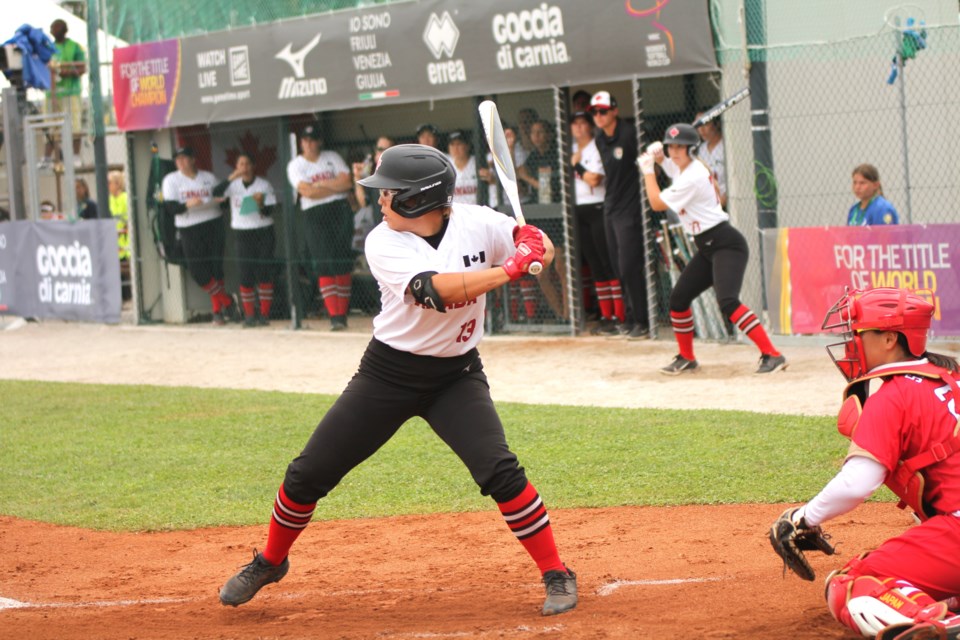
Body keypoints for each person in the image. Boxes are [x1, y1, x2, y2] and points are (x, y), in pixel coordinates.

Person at [218, 144, 578, 617]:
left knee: (499, 470)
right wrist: (508, 268)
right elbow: (437, 293)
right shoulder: (382, 241)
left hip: (456, 374)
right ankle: (270, 560)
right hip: (388, 373)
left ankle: (557, 572)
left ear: (417, 200)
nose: (379, 201)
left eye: (388, 194)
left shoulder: (481, 221)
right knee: (307, 474)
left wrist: (537, 247)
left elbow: (541, 252)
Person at [768, 287, 960, 640]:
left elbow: (859, 481)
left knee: (852, 584)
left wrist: (803, 517)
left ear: (889, 339)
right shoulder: (951, 375)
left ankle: (938, 626)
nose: (851, 344)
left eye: (858, 333)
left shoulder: (893, 393)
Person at [640, 124, 786, 374]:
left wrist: (647, 170)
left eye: (680, 147)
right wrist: (660, 158)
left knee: (727, 300)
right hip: (708, 247)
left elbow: (655, 203)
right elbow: (674, 168)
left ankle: (772, 354)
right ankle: (687, 357)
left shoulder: (693, 176)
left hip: (725, 243)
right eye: (671, 146)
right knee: (679, 299)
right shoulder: (690, 168)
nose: (674, 151)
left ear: (692, 149)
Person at [589, 90, 649, 339]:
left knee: (629, 265)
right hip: (610, 206)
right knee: (616, 264)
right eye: (595, 112)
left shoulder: (630, 133)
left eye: (603, 111)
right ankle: (631, 318)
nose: (599, 116)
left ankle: (644, 321)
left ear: (614, 110)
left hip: (631, 207)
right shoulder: (599, 138)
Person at [286, 124, 354, 331]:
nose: (309, 143)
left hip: (339, 210)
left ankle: (342, 315)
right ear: (301, 143)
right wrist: (332, 186)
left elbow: (347, 182)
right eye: (306, 140)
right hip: (314, 215)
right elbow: (306, 192)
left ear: (319, 141)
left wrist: (319, 186)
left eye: (313, 139)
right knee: (324, 262)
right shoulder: (295, 165)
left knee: (342, 262)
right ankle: (334, 315)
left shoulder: (331, 156)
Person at [161, 146, 237, 325]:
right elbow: (171, 209)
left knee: (216, 267)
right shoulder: (171, 180)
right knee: (198, 270)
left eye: (184, 158)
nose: (180, 162)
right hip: (189, 227)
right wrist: (187, 204)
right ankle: (227, 301)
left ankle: (217, 311)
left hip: (213, 222)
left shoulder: (208, 177)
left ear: (193, 159)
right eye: (177, 159)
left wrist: (222, 200)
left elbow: (223, 199)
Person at [570, 111, 623, 335]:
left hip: (598, 206)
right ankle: (605, 316)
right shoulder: (571, 148)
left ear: (590, 126)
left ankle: (619, 317)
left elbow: (595, 178)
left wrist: (578, 167)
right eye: (575, 124)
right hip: (578, 209)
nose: (579, 128)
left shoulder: (596, 146)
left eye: (583, 123)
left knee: (607, 260)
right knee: (594, 264)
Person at [214, 153, 278, 327]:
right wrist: (231, 177)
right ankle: (249, 315)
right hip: (242, 233)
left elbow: (269, 211)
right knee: (245, 274)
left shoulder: (263, 184)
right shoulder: (233, 185)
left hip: (262, 231)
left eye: (247, 164)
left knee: (264, 273)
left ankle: (264, 314)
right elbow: (216, 193)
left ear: (253, 166)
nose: (244, 167)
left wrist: (261, 203)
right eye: (240, 164)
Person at [44, 19, 86, 167]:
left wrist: (64, 72)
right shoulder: (48, 47)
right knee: (50, 126)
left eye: (55, 27)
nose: (52, 30)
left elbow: (82, 68)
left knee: (75, 125)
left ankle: (75, 156)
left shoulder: (75, 47)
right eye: (51, 28)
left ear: (63, 29)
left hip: (71, 93)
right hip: (52, 95)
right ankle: (49, 158)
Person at [352, 136, 394, 251]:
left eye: (385, 149)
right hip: (381, 229)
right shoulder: (374, 176)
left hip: (399, 230)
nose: (380, 153)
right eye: (379, 149)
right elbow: (363, 202)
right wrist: (357, 177)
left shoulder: (398, 173)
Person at [517, 119, 561, 204]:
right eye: (533, 132)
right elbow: (519, 172)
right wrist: (511, 148)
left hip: (554, 201)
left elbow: (546, 190)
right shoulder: (534, 154)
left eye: (540, 132)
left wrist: (528, 178)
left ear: (549, 135)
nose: (536, 136)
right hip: (536, 200)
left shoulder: (555, 154)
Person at [694, 115, 727, 210]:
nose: (701, 129)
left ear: (716, 124)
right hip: (706, 199)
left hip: (725, 198)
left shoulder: (725, 145)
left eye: (706, 124)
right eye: (698, 126)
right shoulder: (701, 149)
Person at [108, 171, 131, 300]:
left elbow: (128, 219)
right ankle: (120, 298)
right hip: (112, 241)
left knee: (125, 269)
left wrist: (121, 230)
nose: (108, 185)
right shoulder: (109, 199)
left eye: (110, 182)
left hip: (124, 241)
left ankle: (128, 297)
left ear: (117, 184)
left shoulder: (125, 198)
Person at [447, 129, 480, 205]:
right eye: (452, 144)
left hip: (476, 208)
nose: (455, 148)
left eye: (459, 144)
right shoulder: (446, 165)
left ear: (467, 146)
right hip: (456, 211)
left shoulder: (477, 163)